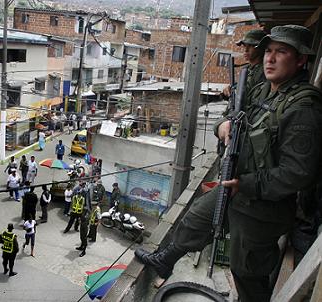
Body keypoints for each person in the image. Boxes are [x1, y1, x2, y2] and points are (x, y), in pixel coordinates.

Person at [135, 25, 322, 302]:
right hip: (236, 185)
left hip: (263, 205)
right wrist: (222, 126)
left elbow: (297, 174)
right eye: (268, 51)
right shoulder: (262, 91)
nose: (269, 58)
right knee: (196, 218)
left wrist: (245, 184)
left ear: (300, 60)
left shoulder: (303, 108)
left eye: (281, 52)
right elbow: (231, 115)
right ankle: (166, 260)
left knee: (246, 272)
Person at [221, 29, 267, 102]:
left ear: (261, 48)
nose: (246, 50)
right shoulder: (247, 69)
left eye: (251, 46)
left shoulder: (266, 71)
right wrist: (229, 90)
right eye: (245, 45)